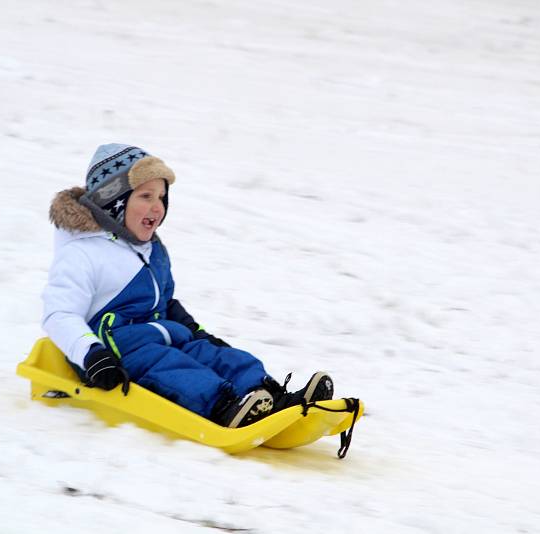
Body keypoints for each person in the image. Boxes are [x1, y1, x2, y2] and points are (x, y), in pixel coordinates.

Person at [41, 143, 334, 428]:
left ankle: (276, 398)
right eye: (145, 196)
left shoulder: (152, 250)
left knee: (221, 357)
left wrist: (197, 333)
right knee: (175, 368)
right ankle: (223, 406)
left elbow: (165, 303)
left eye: (162, 197)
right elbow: (59, 315)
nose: (157, 207)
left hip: (164, 336)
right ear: (113, 201)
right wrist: (92, 354)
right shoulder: (81, 254)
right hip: (114, 354)